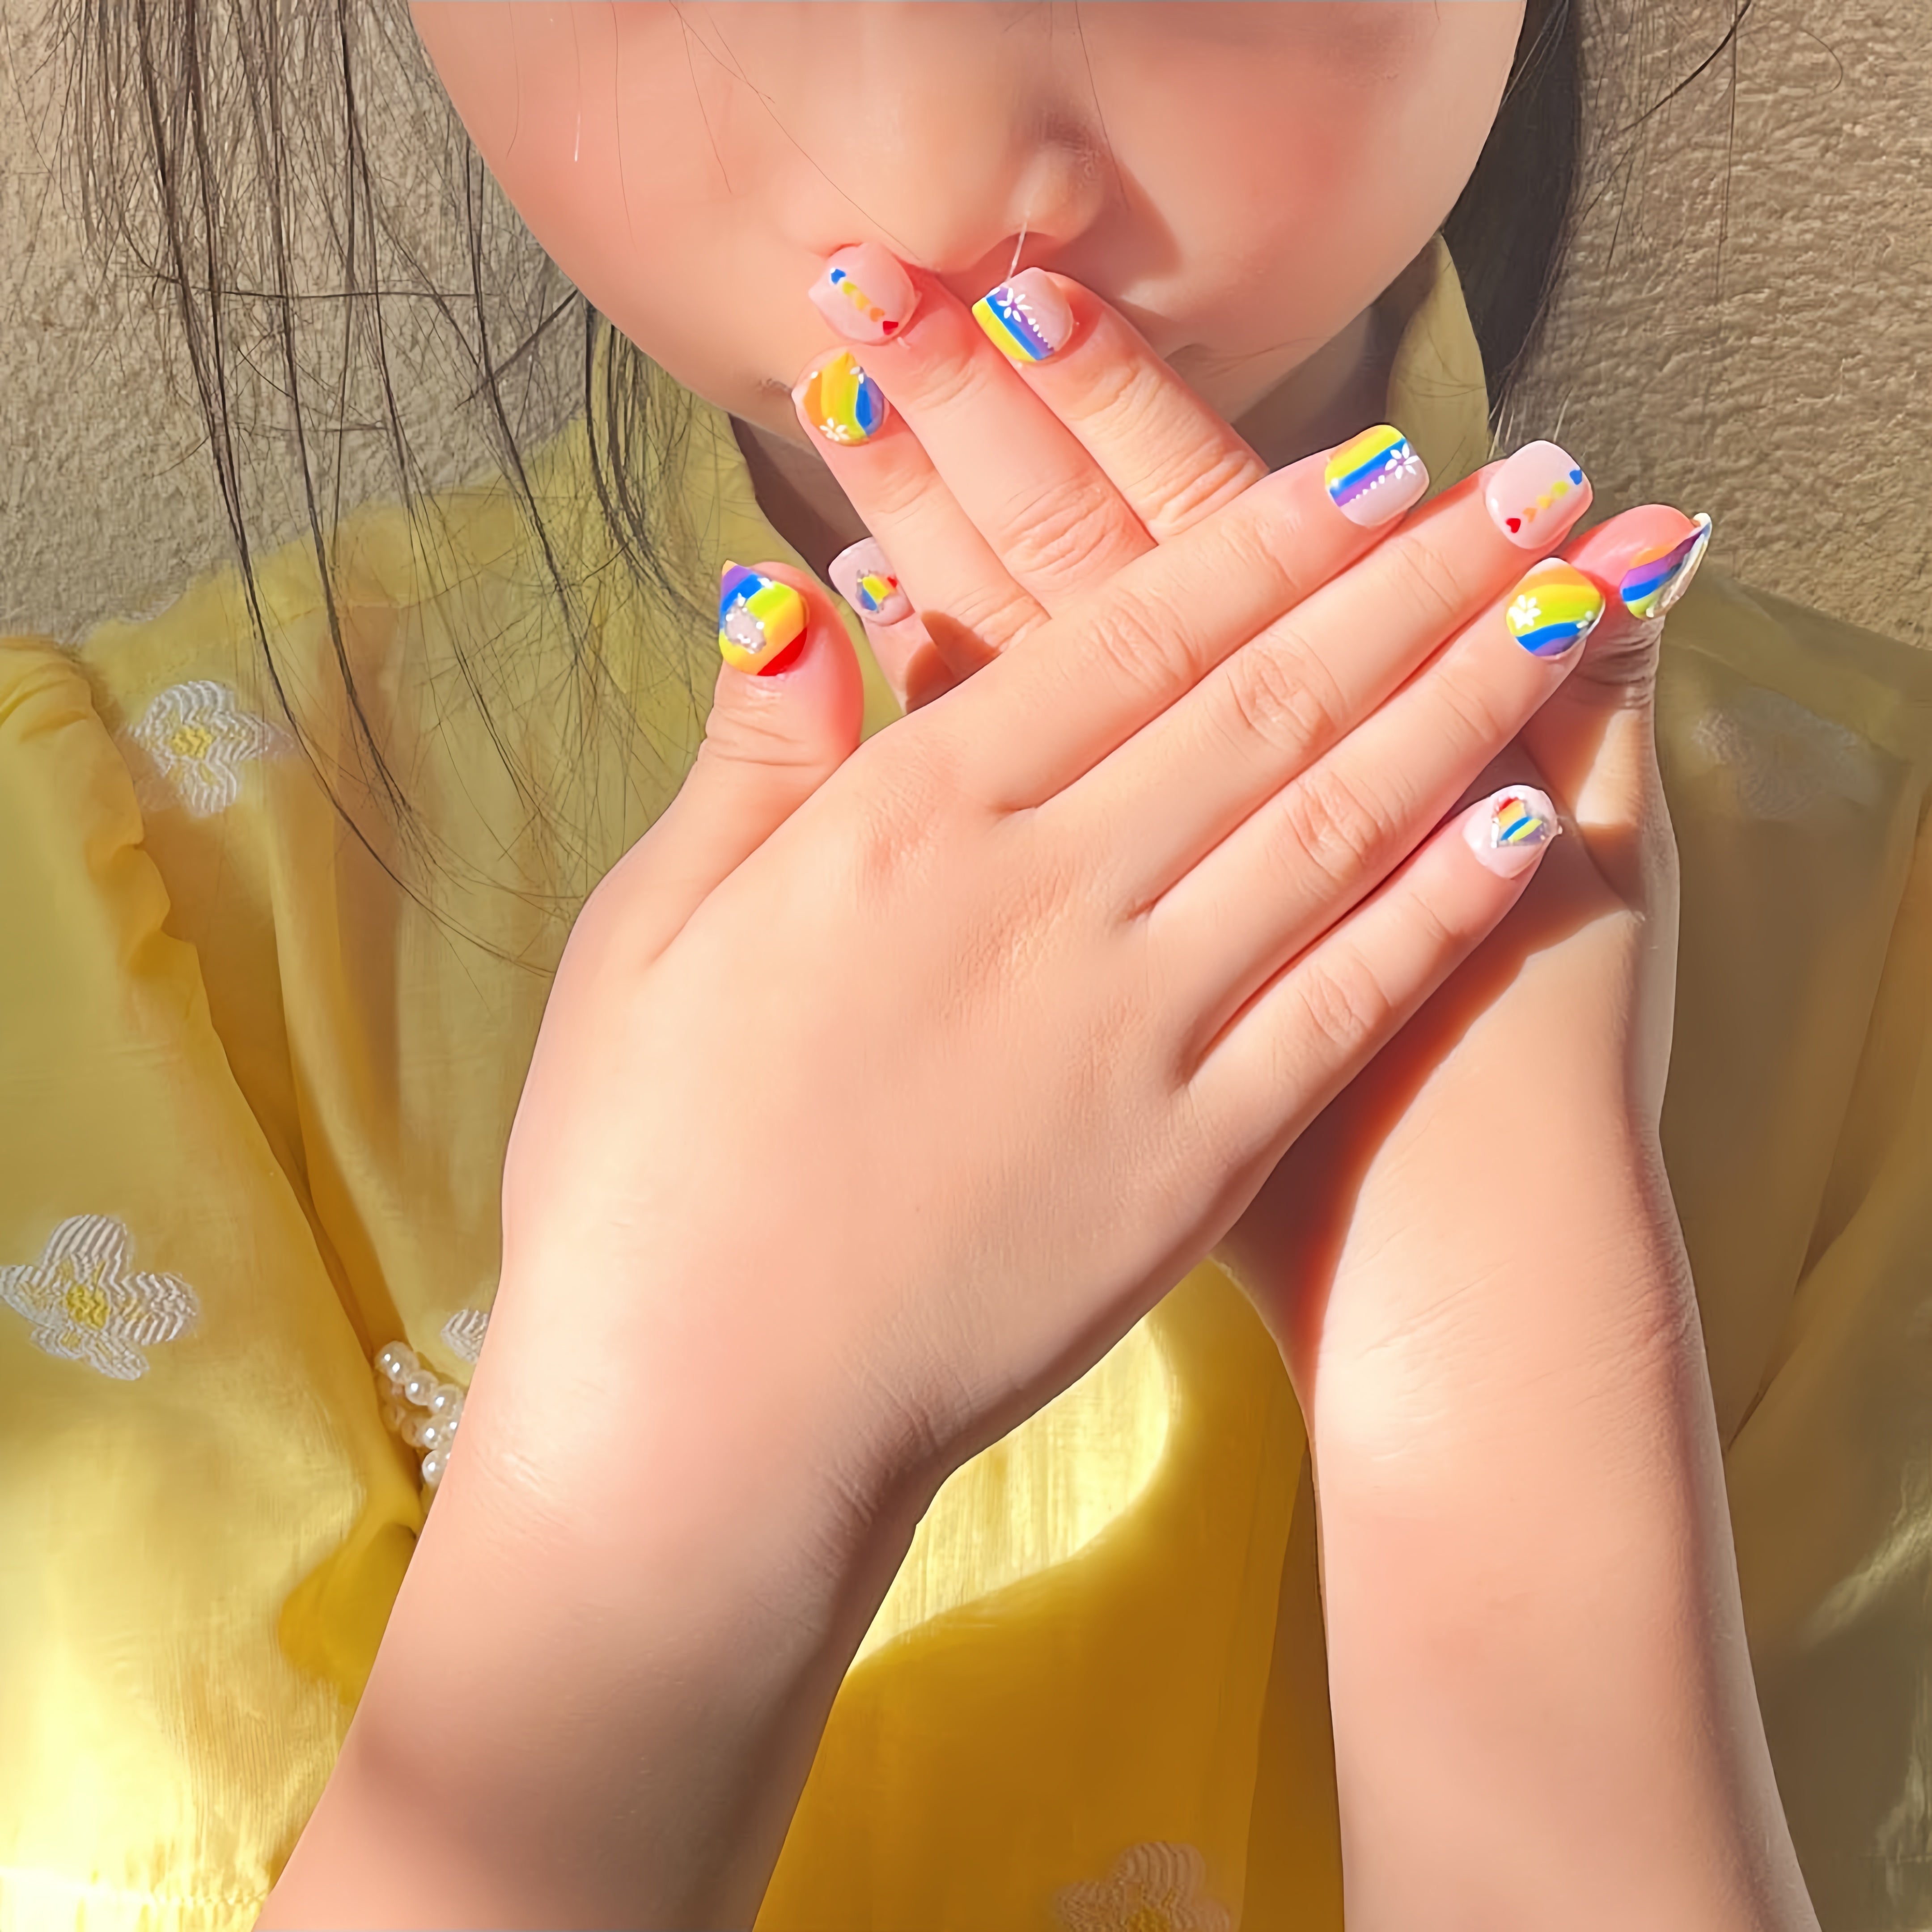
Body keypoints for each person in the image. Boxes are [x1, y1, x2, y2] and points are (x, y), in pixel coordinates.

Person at [0, 4, 1924, 1928]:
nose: (932, 176)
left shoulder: (1891, 940)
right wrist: (655, 1497)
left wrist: (1501, 1388)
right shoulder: (100, 923)